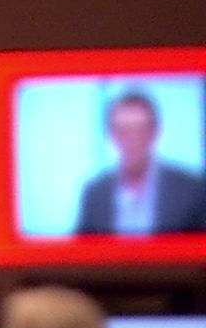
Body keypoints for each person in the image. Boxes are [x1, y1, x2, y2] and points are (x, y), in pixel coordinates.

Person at [74, 91, 206, 235]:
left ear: (155, 132)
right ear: (111, 135)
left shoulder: (192, 190)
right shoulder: (95, 193)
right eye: (124, 131)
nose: (133, 139)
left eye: (141, 130)